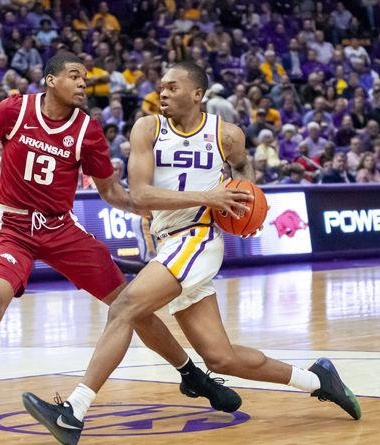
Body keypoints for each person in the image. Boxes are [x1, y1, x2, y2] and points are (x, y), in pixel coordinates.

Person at [0, 53, 239, 443]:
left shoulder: (88, 130)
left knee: (129, 303)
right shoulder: (14, 110)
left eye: (85, 78)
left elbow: (110, 193)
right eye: (75, 76)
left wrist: (148, 202)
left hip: (61, 229)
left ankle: (192, 376)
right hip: (14, 227)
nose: (84, 83)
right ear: (51, 80)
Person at [22, 62, 361, 445]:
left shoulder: (227, 135)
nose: (162, 93)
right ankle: (319, 379)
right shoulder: (148, 129)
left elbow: (243, 169)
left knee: (125, 308)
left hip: (198, 239)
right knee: (221, 358)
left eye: (171, 87)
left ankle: (73, 412)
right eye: (160, 87)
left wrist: (250, 204)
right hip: (168, 242)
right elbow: (141, 194)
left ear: (197, 94)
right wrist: (209, 195)